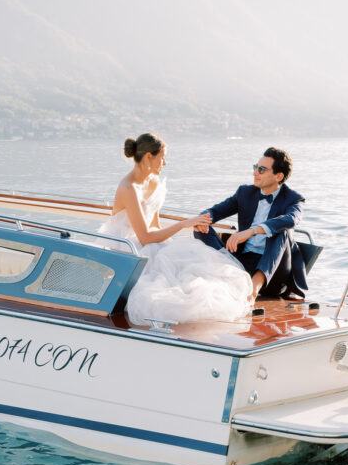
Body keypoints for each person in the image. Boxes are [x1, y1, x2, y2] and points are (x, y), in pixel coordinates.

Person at [99, 133, 252, 325]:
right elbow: (145, 237)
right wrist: (183, 224)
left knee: (190, 266)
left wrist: (172, 243)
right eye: (162, 157)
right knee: (163, 287)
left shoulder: (153, 182)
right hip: (128, 247)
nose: (165, 163)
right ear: (149, 157)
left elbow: (155, 226)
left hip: (150, 242)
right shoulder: (129, 188)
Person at [194, 147, 308, 300]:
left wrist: (252, 231)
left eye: (262, 169)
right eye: (256, 167)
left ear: (278, 176)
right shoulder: (245, 192)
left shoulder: (293, 198)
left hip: (274, 274)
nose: (255, 173)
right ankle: (228, 271)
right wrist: (202, 218)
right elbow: (216, 211)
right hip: (243, 262)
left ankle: (255, 285)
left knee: (281, 229)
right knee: (200, 227)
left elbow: (291, 219)